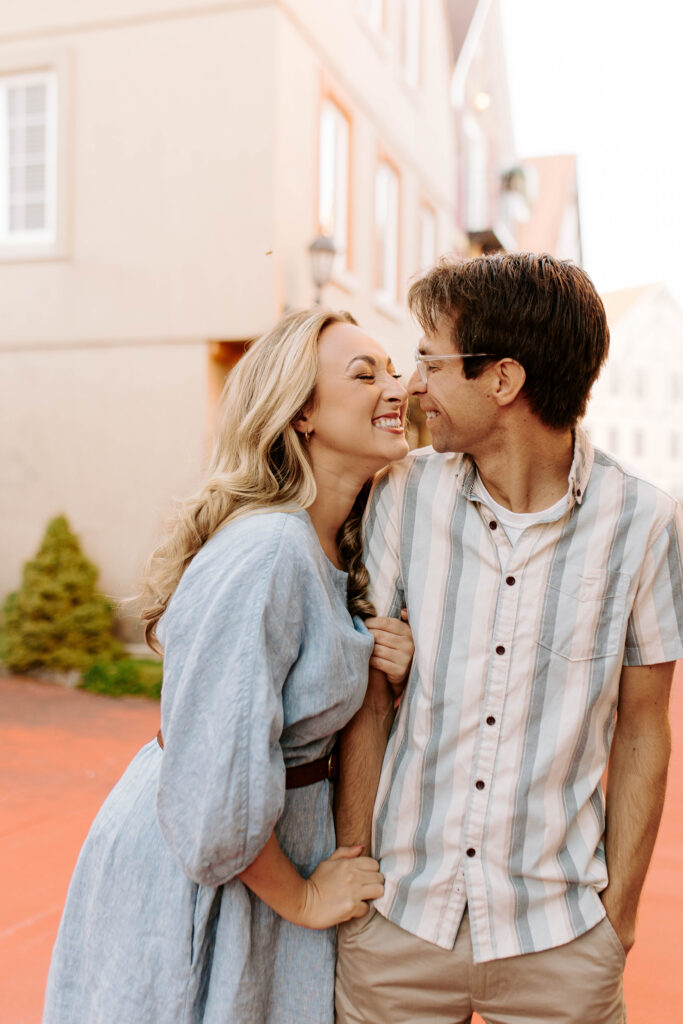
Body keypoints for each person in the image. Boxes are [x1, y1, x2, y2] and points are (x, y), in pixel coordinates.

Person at [335, 253, 683, 1024]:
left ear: (502, 380)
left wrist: (616, 919)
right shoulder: (401, 494)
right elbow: (370, 698)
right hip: (399, 923)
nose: (414, 384)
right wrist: (355, 867)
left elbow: (643, 730)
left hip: (559, 937)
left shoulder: (644, 523)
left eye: (429, 361)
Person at [42, 308, 415, 1024]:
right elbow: (214, 793)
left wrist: (378, 668)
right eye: (364, 374)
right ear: (300, 411)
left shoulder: (331, 543)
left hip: (259, 862)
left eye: (393, 369)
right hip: (213, 867)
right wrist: (304, 897)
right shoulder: (269, 549)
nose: (395, 387)